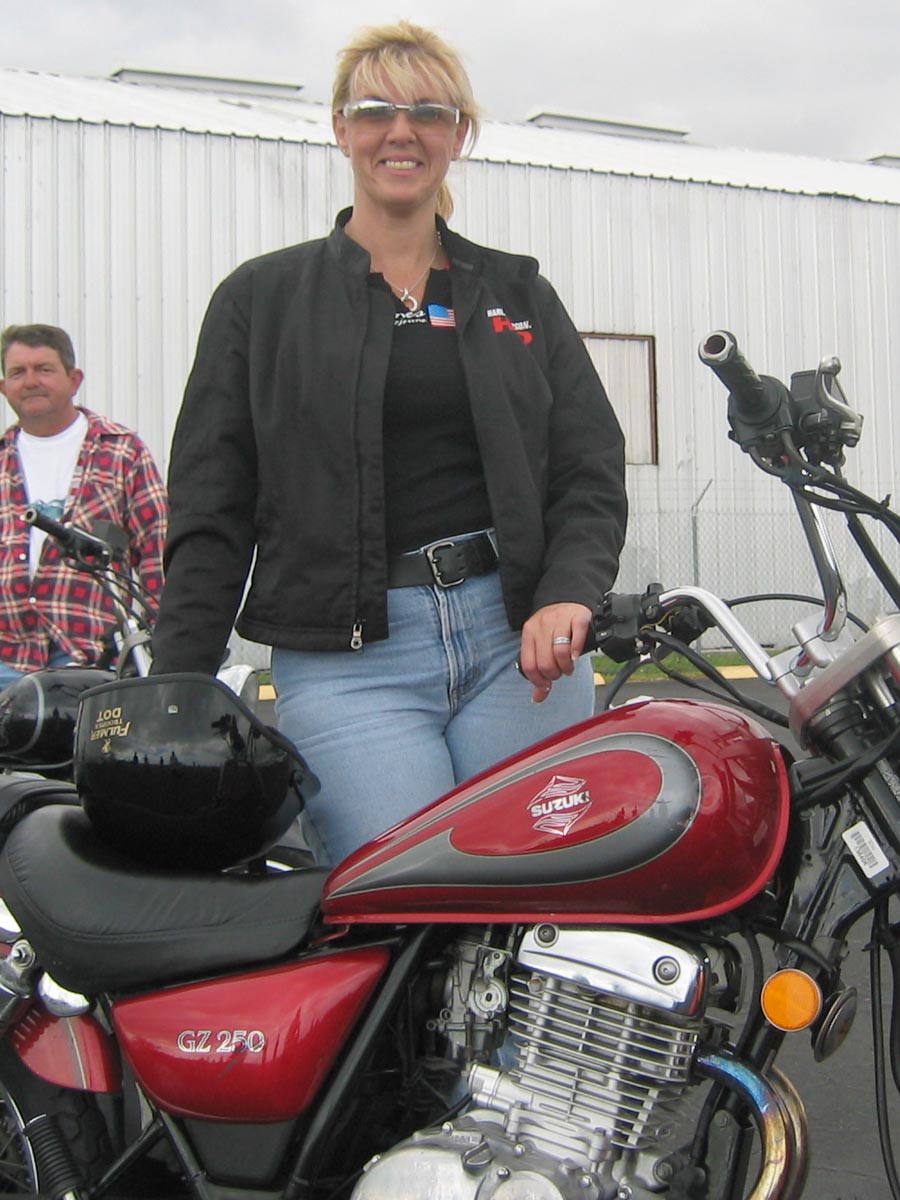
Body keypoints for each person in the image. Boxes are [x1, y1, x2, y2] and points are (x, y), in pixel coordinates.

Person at [150, 20, 627, 866]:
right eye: (375, 111)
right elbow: (212, 506)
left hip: (517, 648)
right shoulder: (261, 301)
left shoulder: (517, 291)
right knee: (399, 902)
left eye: (428, 112)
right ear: (341, 129)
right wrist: (177, 684)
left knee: (533, 894)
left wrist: (567, 592)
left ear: (458, 135)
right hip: (349, 665)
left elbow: (588, 467)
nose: (401, 132)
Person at [0, 324, 167, 689]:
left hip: (91, 656)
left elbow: (157, 554)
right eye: (18, 372)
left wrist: (165, 646)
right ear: (4, 387)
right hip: (6, 654)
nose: (31, 381)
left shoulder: (122, 451)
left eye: (44, 369)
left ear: (74, 380)